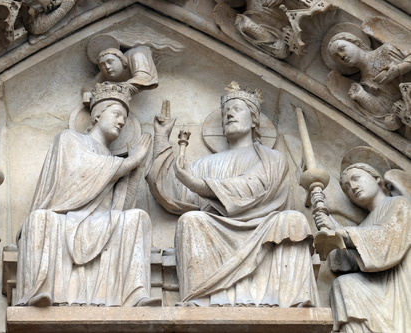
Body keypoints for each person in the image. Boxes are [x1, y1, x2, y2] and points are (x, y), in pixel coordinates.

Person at [147, 82, 320, 307]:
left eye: (237, 109)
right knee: (191, 220)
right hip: (217, 229)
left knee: (293, 220)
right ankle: (201, 299)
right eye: (226, 112)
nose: (229, 114)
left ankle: (291, 301)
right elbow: (173, 195)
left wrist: (197, 183)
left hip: (263, 227)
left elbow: (254, 187)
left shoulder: (272, 158)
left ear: (254, 119)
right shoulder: (205, 164)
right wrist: (161, 140)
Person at [16, 82, 160, 307]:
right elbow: (82, 172)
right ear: (98, 115)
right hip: (66, 218)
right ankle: (41, 291)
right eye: (116, 114)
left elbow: (121, 205)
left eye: (124, 118)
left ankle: (135, 294)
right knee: (39, 219)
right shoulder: (69, 139)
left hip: (101, 222)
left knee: (138, 217)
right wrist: (131, 161)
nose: (121, 122)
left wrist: (139, 165)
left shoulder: (114, 163)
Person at [314, 160, 411, 332]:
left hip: (396, 287)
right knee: (344, 285)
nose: (352, 187)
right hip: (379, 287)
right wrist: (328, 222)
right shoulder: (366, 224)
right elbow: (346, 262)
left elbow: (384, 240)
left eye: (356, 178)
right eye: (346, 188)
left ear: (376, 178)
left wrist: (340, 231)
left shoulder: (399, 203)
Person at [328, 32, 411, 130]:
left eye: (342, 48)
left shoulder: (386, 50)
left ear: (356, 43)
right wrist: (363, 96)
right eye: (337, 57)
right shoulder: (365, 84)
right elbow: (387, 112)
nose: (342, 55)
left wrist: (399, 68)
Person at [81, 46, 158, 103]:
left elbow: (143, 78)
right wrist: (89, 93)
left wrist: (113, 87)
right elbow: (88, 86)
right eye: (102, 65)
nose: (107, 67)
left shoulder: (137, 54)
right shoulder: (107, 73)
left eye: (110, 62)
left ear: (121, 60)